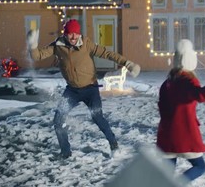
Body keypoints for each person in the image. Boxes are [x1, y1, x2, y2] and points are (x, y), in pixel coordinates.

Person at [27, 19, 141, 158]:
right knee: (58, 121)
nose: (74, 37)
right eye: (70, 34)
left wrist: (127, 64)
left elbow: (107, 54)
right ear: (65, 34)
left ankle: (114, 145)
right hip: (72, 91)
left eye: (76, 34)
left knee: (97, 117)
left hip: (90, 89)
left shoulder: (86, 44)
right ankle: (65, 153)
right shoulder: (58, 45)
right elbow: (37, 56)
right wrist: (32, 45)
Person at [156, 39, 205, 181]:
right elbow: (201, 95)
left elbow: (161, 106)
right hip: (184, 133)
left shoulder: (167, 82)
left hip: (166, 134)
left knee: (166, 173)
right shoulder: (188, 80)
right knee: (200, 167)